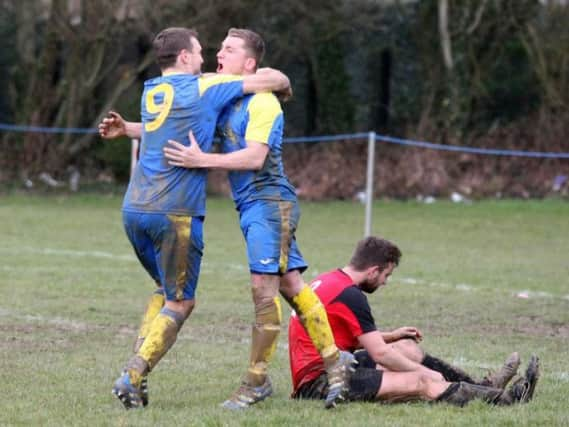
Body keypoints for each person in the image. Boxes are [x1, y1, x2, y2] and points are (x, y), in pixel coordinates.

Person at [99, 28, 354, 411]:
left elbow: (253, 158)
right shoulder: (222, 94)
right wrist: (130, 130)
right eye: (216, 48)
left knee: (264, 289)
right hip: (248, 206)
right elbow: (176, 124)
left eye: (229, 50)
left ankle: (256, 382)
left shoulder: (264, 102)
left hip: (270, 203)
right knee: (290, 284)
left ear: (250, 64)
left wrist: (204, 160)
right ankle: (336, 364)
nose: (219, 54)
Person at [288, 236, 540, 407]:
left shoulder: (331, 280)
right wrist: (425, 371)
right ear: (373, 270)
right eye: (386, 275)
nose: (385, 282)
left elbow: (337, 333)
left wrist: (393, 335)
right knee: (422, 381)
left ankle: (483, 386)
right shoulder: (351, 295)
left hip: (334, 364)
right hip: (320, 382)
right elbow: (381, 354)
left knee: (407, 348)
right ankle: (505, 399)